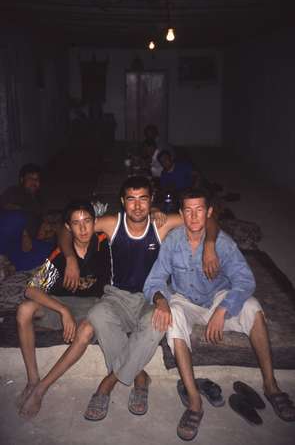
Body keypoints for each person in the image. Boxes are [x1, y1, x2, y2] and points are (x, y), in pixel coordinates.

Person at [18, 176, 219, 420]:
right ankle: (139, 377)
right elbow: (66, 228)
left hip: (150, 296)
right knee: (97, 314)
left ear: (151, 200)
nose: (137, 206)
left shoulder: (161, 225)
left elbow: (205, 219)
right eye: (131, 200)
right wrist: (70, 258)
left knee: (158, 323)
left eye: (143, 200)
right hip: (117, 296)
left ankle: (109, 381)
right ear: (123, 202)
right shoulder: (112, 224)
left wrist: (209, 244)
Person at [144, 187, 295, 441]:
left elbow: (245, 280)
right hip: (185, 300)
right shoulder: (173, 241)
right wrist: (160, 300)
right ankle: (194, 401)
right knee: (173, 319)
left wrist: (224, 309)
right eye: (188, 211)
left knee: (253, 308)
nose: (193, 217)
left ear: (209, 212)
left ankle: (271, 386)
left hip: (217, 297)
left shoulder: (222, 242)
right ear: (181, 213)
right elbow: (155, 280)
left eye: (199, 210)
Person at [17, 200, 111, 416]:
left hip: (92, 305)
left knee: (86, 330)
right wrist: (63, 311)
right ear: (68, 228)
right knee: (24, 309)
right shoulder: (61, 254)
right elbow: (31, 290)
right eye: (76, 223)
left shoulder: (104, 244)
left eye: (87, 221)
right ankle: (33, 380)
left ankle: (42, 389)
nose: (83, 228)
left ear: (94, 222)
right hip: (61, 303)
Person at [0, 163, 52, 270]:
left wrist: (44, 229)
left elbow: (40, 225)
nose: (34, 182)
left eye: (37, 179)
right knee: (17, 217)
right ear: (22, 180)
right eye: (30, 178)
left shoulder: (40, 201)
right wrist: (24, 233)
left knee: (51, 252)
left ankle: (9, 263)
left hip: (21, 244)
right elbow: (8, 210)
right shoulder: (14, 191)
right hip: (9, 234)